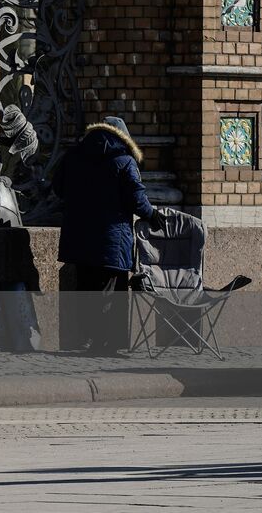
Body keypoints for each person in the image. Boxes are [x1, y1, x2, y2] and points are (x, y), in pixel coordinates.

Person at [54, 116, 166, 354]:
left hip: (79, 237)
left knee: (85, 289)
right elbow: (136, 198)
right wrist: (151, 215)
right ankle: (103, 343)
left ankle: (84, 339)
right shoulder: (124, 161)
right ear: (123, 137)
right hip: (111, 240)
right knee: (109, 292)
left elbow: (57, 188)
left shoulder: (73, 157)